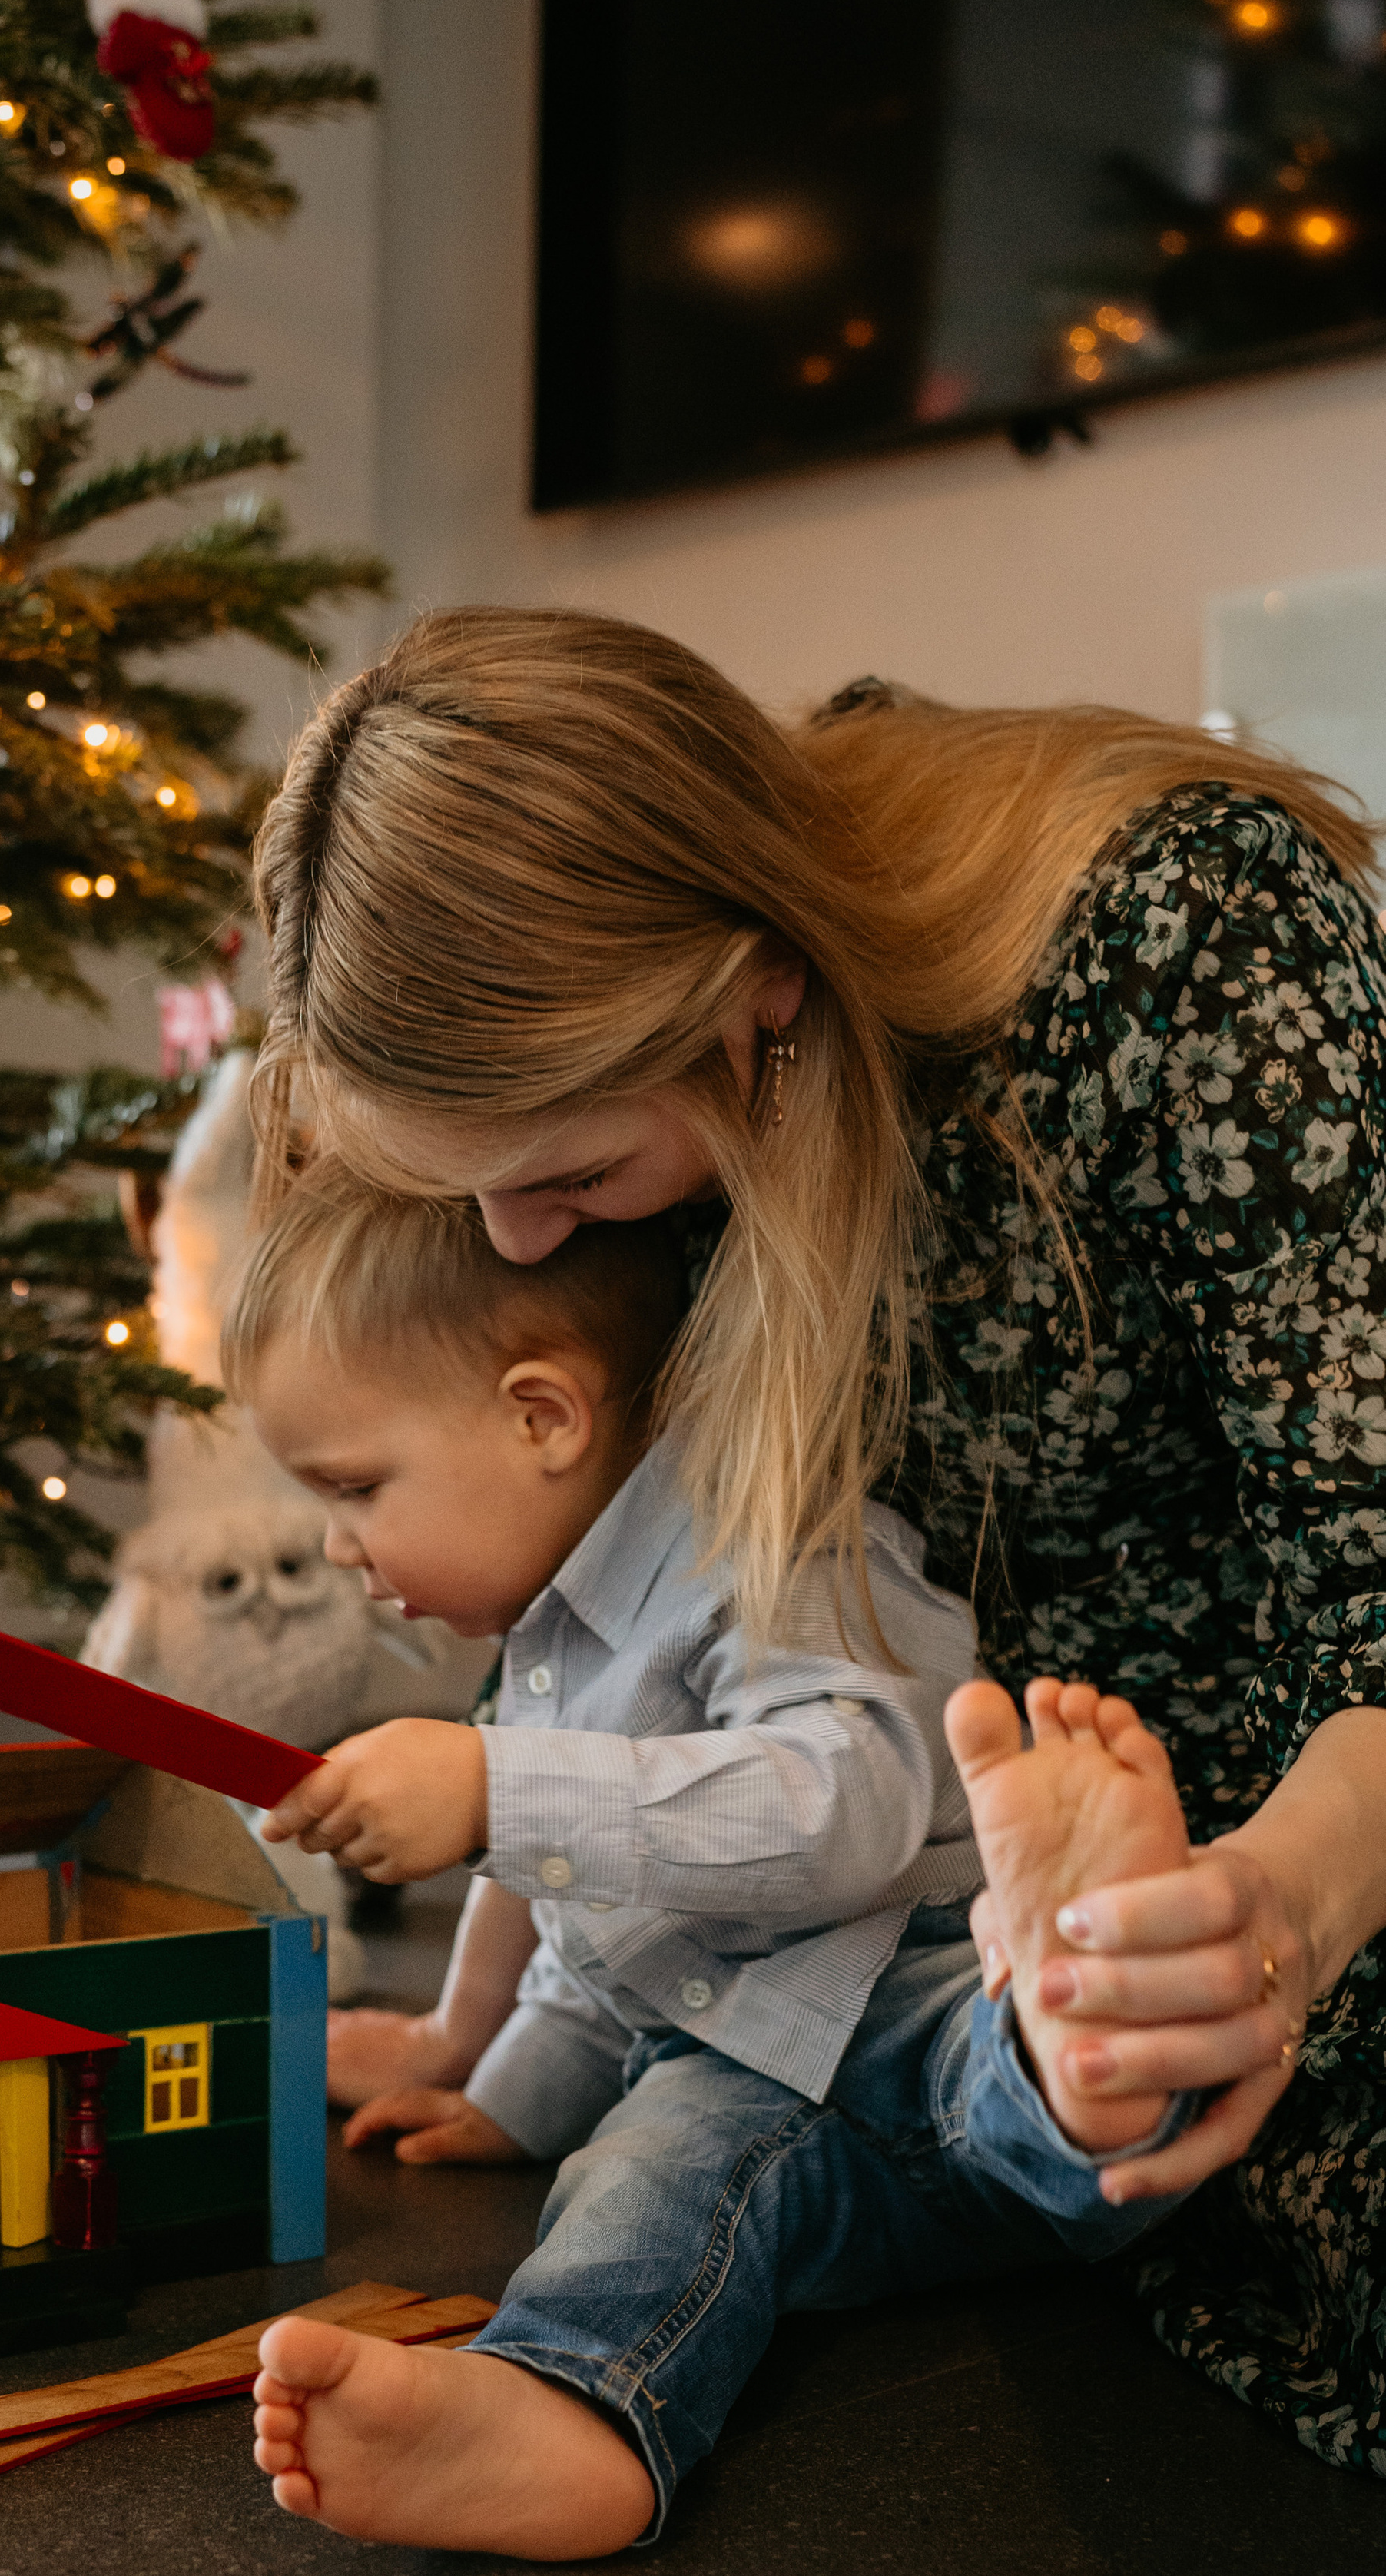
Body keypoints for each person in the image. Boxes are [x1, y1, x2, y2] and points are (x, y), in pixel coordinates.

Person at [245, 608, 1386, 2476]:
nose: (524, 1248)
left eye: (568, 1177)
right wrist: (477, 2030)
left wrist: (1266, 1912)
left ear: (752, 995)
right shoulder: (655, 1124)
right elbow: (593, 1620)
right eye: (475, 1193)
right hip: (910, 1892)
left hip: (1265, 1825)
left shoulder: (1182, 950)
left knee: (1104, 2118)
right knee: (730, 2123)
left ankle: (1078, 2024)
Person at [227, 1169, 1203, 2557]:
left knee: (972, 2058)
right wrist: (511, 2087)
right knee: (642, 2184)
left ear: (541, 1415)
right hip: (736, 2072)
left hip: (913, 1975)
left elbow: (839, 1805)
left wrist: (497, 1784)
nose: (338, 1544)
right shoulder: (551, 1639)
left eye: (357, 1486)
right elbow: (605, 1925)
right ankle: (562, 2410)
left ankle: (1081, 2035)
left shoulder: (772, 1539)